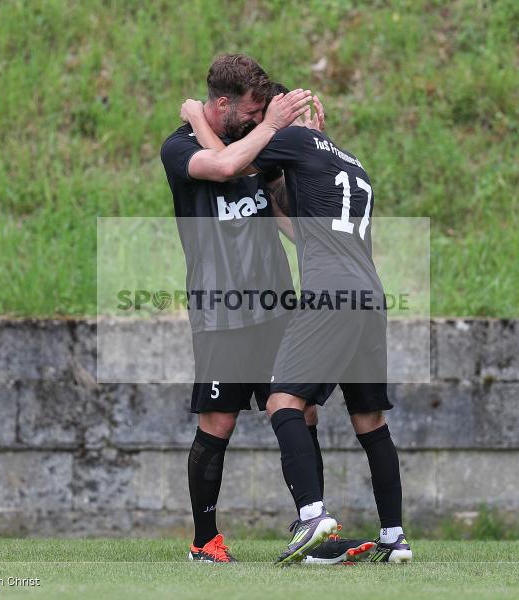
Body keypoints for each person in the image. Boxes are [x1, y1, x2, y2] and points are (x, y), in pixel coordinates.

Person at [181, 85, 414, 564]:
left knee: (282, 400)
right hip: (371, 294)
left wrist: (195, 118)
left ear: (289, 117)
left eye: (273, 114)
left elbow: (228, 164)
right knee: (371, 421)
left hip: (330, 294)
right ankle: (395, 538)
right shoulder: (349, 161)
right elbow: (296, 224)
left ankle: (311, 516)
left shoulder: (294, 142)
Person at [160, 54, 319, 563]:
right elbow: (225, 167)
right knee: (218, 423)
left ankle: (312, 526)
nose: (256, 119)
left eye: (262, 113)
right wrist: (270, 127)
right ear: (222, 104)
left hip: (276, 304)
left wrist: (309, 150)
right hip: (220, 312)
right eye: (250, 112)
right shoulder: (179, 146)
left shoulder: (260, 149)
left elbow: (292, 227)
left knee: (301, 410)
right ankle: (205, 541)